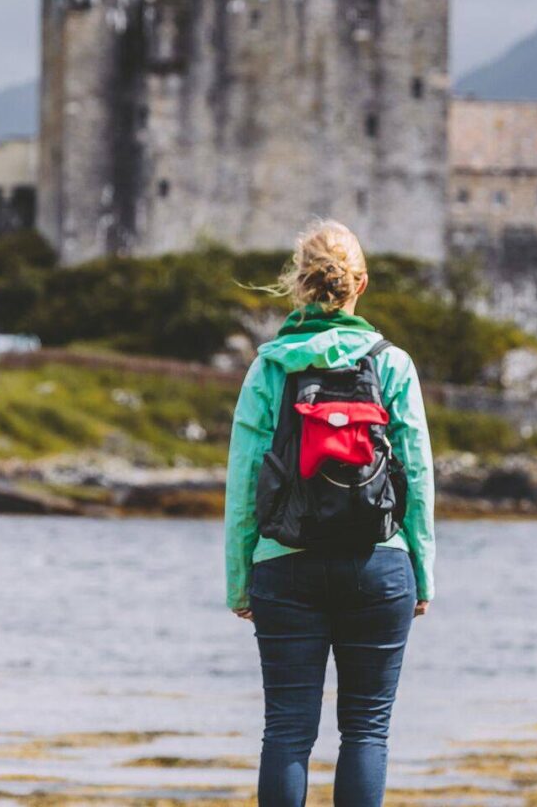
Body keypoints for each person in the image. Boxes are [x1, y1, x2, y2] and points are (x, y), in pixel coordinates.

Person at [224, 220, 436, 807]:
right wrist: (423, 571)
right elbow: (416, 473)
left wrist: (240, 580)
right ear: (360, 284)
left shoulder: (269, 367)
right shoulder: (392, 364)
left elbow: (244, 482)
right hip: (379, 563)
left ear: (298, 286)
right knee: (366, 730)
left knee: (287, 732)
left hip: (284, 565)